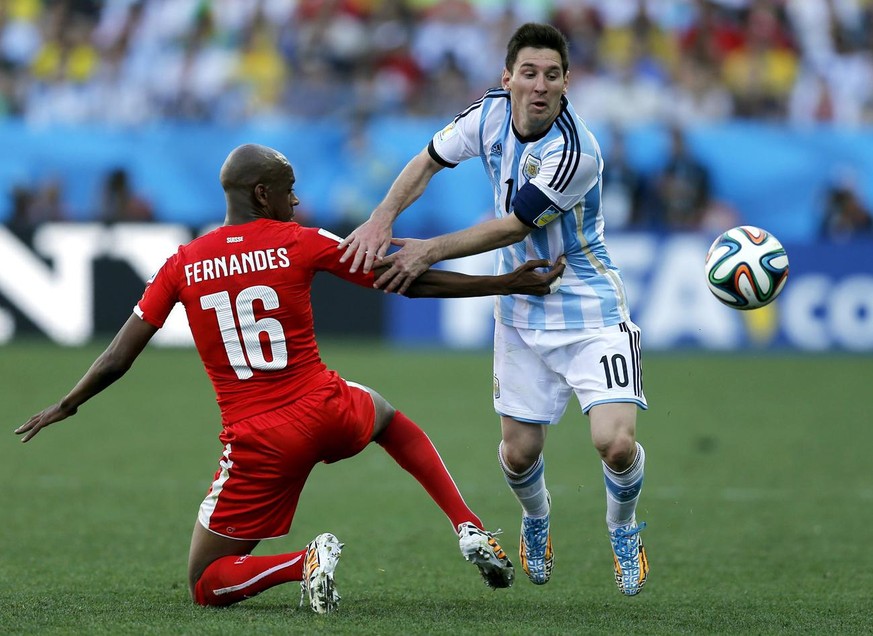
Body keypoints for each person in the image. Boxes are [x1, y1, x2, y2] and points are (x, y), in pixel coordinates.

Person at [15, 143, 566, 613]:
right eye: (289, 188)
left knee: (206, 583)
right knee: (390, 420)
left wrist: (68, 403)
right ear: (262, 194)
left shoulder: (182, 264)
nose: (296, 199)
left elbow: (117, 357)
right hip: (327, 408)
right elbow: (405, 280)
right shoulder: (298, 240)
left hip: (258, 442)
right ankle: (467, 523)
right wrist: (505, 282)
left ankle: (302, 564)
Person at [338, 22, 649, 596]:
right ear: (507, 79)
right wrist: (381, 219)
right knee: (518, 451)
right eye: (528, 73)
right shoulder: (487, 115)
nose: (539, 86)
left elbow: (514, 225)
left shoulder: (576, 151)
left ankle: (624, 529)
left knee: (615, 442)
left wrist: (429, 248)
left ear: (566, 83)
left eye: (551, 75)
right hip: (523, 304)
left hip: (588, 306)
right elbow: (428, 160)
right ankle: (536, 520)